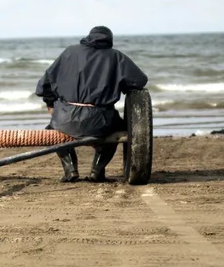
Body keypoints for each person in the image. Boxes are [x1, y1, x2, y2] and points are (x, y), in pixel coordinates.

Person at [35, 25, 149, 183]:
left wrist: (50, 104)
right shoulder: (116, 56)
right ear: (110, 40)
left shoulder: (69, 52)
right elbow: (139, 81)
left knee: (53, 130)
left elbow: (44, 85)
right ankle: (97, 171)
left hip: (65, 119)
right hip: (101, 122)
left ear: (88, 37)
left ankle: (70, 171)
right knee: (119, 130)